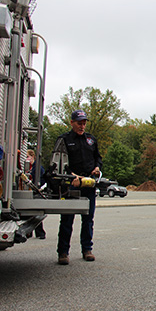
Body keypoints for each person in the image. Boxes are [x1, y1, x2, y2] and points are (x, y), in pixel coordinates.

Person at [56, 110, 102, 265]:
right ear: (71, 123)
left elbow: (98, 158)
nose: (82, 126)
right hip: (72, 183)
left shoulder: (91, 139)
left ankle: (87, 249)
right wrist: (71, 175)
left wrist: (97, 168)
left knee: (88, 219)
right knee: (67, 219)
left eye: (84, 123)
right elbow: (58, 162)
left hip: (88, 183)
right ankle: (63, 252)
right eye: (79, 123)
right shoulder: (64, 139)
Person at [26, 149, 46, 239]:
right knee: (29, 212)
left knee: (36, 212)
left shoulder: (37, 167)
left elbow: (42, 178)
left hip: (36, 190)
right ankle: (29, 232)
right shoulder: (28, 167)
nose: (27, 159)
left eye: (28, 157)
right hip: (30, 190)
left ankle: (40, 233)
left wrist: (38, 188)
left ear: (33, 156)